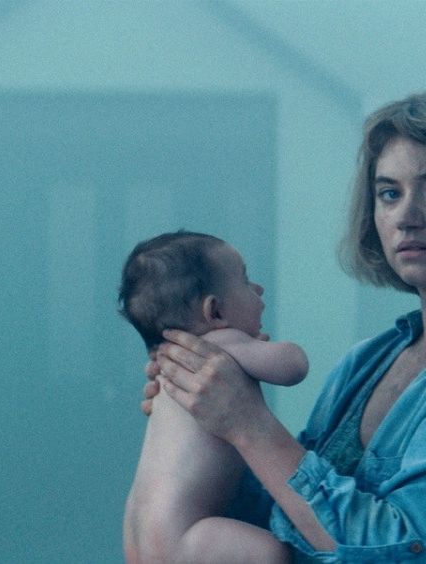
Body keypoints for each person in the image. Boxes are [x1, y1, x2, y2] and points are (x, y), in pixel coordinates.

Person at [143, 92, 426, 562]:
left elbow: (409, 549)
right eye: (389, 193)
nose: (406, 216)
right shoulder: (365, 363)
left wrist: (249, 425)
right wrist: (197, 412)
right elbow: (283, 518)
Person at [119, 231, 308, 563]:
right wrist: (261, 348)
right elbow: (293, 367)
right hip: (187, 535)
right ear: (215, 312)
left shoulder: (170, 366)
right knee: (272, 553)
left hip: (140, 530)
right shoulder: (220, 344)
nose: (258, 289)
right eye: (245, 281)